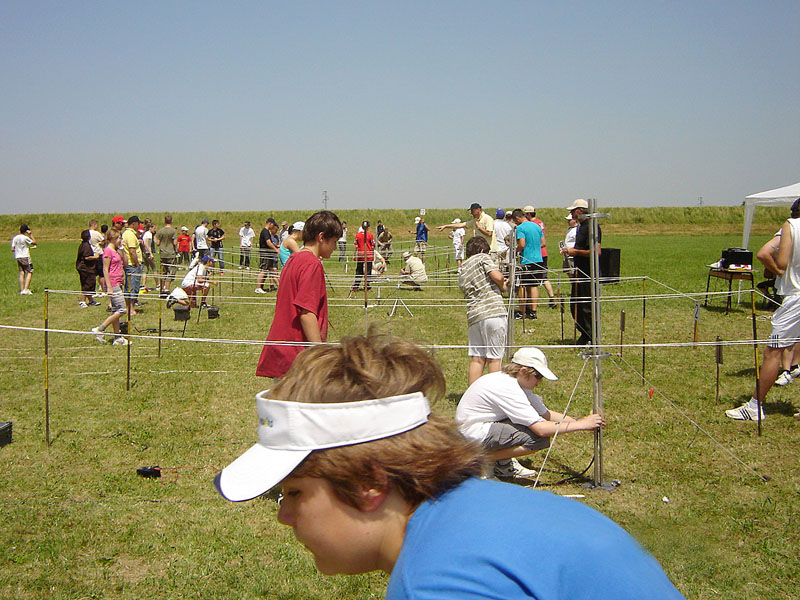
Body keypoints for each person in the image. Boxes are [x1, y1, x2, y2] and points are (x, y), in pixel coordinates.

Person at [215, 334, 685, 600]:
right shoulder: (491, 509)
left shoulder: (434, 584)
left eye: (294, 492)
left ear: (369, 483)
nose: (284, 515)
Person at [455, 347, 604, 479]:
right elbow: (541, 429)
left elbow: (545, 414)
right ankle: (482, 460)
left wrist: (581, 421)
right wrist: (582, 425)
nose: (540, 381)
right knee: (537, 439)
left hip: (477, 429)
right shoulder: (508, 388)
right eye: (538, 376)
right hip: (472, 435)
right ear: (523, 371)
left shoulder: (516, 382)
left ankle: (501, 464)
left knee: (528, 424)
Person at [726, 198, 800, 421]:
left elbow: (774, 258)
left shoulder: (791, 225)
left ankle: (754, 407)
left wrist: (779, 271)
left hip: (796, 298)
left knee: (773, 352)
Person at [255, 210, 342, 379]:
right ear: (321, 237)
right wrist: (319, 354)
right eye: (334, 242)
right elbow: (307, 313)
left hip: (283, 352)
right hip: (299, 357)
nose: (335, 247)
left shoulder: (293, 260)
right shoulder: (312, 264)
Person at [458, 237, 507, 385]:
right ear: (481, 250)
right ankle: (493, 394)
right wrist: (502, 286)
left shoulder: (463, 268)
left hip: (474, 315)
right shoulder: (482, 257)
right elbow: (497, 276)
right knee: (494, 357)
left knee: (477, 358)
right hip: (493, 312)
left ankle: (472, 394)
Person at [564, 199, 601, 345]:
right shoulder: (581, 227)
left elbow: (596, 252)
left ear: (580, 210)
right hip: (579, 271)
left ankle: (592, 336)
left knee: (586, 306)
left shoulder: (592, 227)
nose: (571, 214)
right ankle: (584, 333)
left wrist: (575, 252)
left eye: (573, 211)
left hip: (588, 273)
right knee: (575, 304)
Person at [91, 229, 128, 346]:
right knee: (122, 310)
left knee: (115, 310)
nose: (121, 240)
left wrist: (122, 249)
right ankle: (100, 329)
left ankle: (117, 337)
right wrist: (109, 287)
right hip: (112, 283)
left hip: (118, 282)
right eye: (120, 238)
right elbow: (105, 270)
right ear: (113, 239)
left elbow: (125, 263)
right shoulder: (107, 251)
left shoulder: (116, 251)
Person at [512, 208, 544, 320]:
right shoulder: (537, 226)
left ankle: (523, 311)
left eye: (515, 221)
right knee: (534, 286)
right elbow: (543, 242)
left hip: (526, 260)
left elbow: (522, 244)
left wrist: (515, 251)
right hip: (538, 259)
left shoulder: (520, 228)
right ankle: (533, 311)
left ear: (517, 218)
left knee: (522, 286)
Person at [524, 205, 557, 308]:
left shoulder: (532, 224)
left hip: (536, 254)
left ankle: (548, 299)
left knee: (535, 279)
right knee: (543, 276)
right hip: (543, 253)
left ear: (529, 214)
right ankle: (551, 297)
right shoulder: (540, 222)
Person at [121, 215, 144, 315]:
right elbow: (132, 251)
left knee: (129, 287)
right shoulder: (130, 235)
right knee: (133, 287)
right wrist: (137, 263)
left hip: (130, 265)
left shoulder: (128, 234)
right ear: (133, 224)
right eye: (138, 224)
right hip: (133, 265)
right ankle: (131, 309)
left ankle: (128, 308)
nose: (139, 226)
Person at [154, 215, 179, 295]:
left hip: (162, 254)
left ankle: (162, 289)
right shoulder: (173, 231)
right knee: (170, 272)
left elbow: (157, 242)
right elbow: (175, 243)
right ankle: (167, 289)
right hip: (171, 253)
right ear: (171, 221)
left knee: (163, 272)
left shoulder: (161, 231)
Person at [75, 230, 99, 308]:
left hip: (84, 267)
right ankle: (83, 301)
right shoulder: (86, 246)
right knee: (86, 284)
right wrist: (95, 257)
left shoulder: (83, 244)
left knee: (88, 284)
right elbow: (86, 257)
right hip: (85, 268)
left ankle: (91, 300)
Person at [255, 218, 280, 294]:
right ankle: (258, 288)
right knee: (263, 270)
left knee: (271, 270)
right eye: (273, 225)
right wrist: (276, 249)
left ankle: (280, 287)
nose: (273, 227)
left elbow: (270, 243)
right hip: (265, 253)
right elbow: (268, 242)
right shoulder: (265, 231)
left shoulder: (267, 232)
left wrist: (276, 246)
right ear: (270, 223)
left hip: (268, 253)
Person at [11, 224, 36, 295]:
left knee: (22, 272)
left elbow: (12, 249)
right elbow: (34, 242)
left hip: (18, 257)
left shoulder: (15, 238)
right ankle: (26, 289)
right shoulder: (25, 238)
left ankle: (22, 290)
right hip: (25, 256)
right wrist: (30, 235)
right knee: (30, 271)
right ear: (26, 231)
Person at [351, 220, 375, 292]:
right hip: (368, 255)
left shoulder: (357, 235)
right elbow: (372, 246)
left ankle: (356, 285)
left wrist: (354, 255)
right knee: (368, 271)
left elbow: (356, 246)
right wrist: (372, 254)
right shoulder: (370, 235)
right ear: (368, 227)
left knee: (359, 270)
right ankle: (366, 285)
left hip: (361, 255)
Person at [88, 219, 106, 296]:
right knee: (101, 274)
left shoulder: (87, 233)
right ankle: (103, 290)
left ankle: (92, 290)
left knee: (92, 274)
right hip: (98, 254)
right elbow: (103, 241)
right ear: (94, 225)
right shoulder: (96, 233)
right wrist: (101, 243)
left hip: (90, 254)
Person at [140, 222, 157, 293]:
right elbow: (147, 244)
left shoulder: (145, 233)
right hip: (147, 253)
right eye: (154, 228)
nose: (154, 230)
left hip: (144, 253)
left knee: (145, 269)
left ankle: (143, 284)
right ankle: (158, 285)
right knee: (154, 268)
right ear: (150, 228)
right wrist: (150, 253)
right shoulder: (149, 234)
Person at [561, 213, 578, 277]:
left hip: (573, 255)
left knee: (575, 272)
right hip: (567, 255)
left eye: (569, 220)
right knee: (568, 271)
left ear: (575, 220)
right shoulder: (569, 229)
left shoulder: (578, 229)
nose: (568, 222)